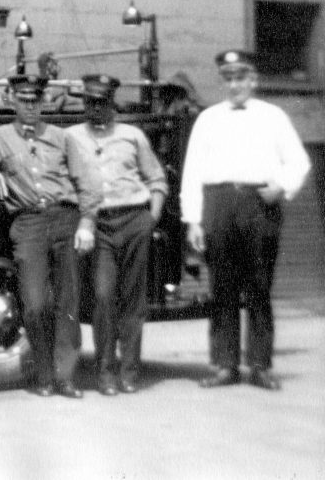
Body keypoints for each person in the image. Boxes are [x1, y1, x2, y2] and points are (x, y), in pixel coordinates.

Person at [181, 49, 310, 391]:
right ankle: (225, 365)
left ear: (253, 80)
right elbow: (192, 172)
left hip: (259, 206)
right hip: (219, 204)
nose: (235, 84)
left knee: (259, 287)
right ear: (224, 81)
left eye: (241, 78)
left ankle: (260, 365)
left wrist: (281, 186)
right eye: (229, 78)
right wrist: (193, 220)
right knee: (221, 288)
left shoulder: (274, 116)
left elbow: (299, 161)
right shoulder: (208, 119)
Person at [0, 74, 100, 399]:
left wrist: (87, 223)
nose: (30, 106)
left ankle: (65, 377)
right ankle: (43, 374)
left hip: (65, 219)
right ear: (12, 100)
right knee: (35, 303)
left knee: (68, 303)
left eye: (35, 100)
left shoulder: (61, 137)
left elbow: (86, 183)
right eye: (23, 100)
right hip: (28, 224)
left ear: (43, 102)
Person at [67, 74, 168, 395]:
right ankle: (105, 372)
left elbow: (157, 180)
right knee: (103, 296)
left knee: (133, 300)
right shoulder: (70, 137)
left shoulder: (132, 135)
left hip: (134, 219)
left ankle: (129, 372)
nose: (95, 108)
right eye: (89, 102)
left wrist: (150, 218)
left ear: (112, 104)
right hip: (99, 225)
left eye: (101, 102)